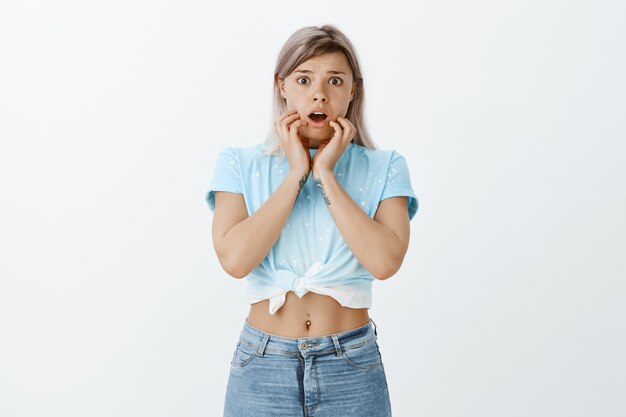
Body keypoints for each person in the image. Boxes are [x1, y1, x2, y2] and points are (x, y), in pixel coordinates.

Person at [205, 24, 418, 417]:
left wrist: (326, 176)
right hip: (263, 365)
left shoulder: (385, 166)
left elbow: (385, 262)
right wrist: (295, 175)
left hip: (350, 366)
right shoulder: (238, 163)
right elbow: (235, 261)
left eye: (335, 80)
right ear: (282, 86)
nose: (320, 92)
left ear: (352, 90)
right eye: (304, 79)